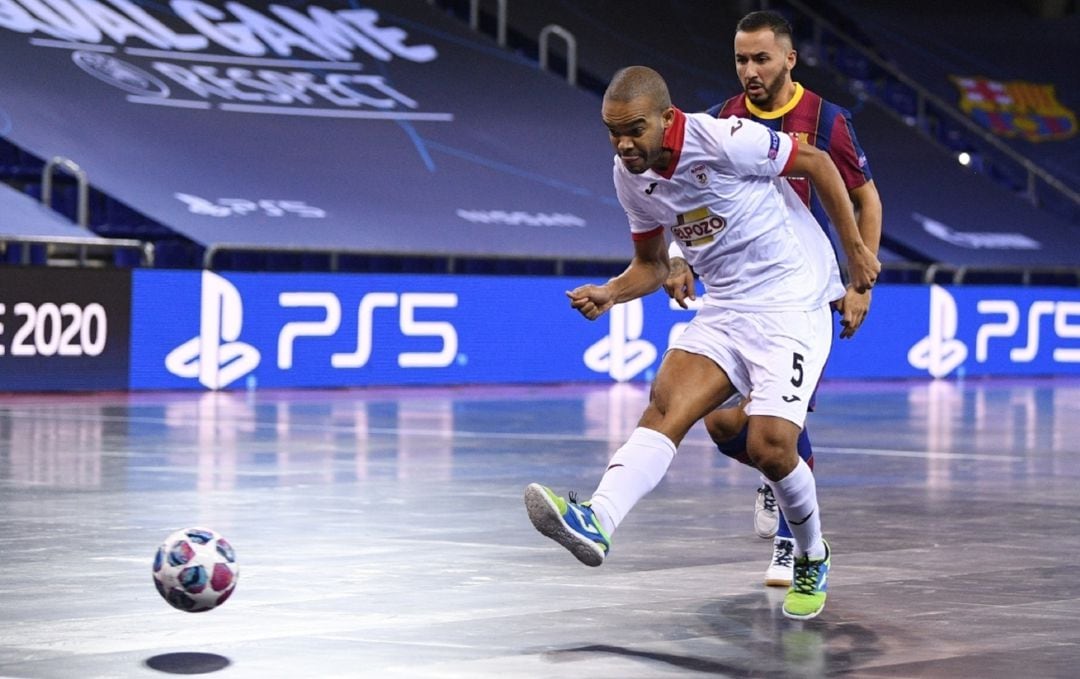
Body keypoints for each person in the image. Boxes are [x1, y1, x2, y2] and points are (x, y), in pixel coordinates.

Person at [523, 64, 880, 621]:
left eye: (635, 129)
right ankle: (599, 518)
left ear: (668, 119)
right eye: (611, 130)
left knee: (770, 446)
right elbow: (649, 264)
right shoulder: (629, 175)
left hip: (791, 301)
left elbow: (814, 161)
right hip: (727, 306)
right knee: (667, 404)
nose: (622, 143)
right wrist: (612, 292)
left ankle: (813, 553)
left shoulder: (724, 140)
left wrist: (855, 249)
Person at [664, 10, 883, 589]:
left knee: (785, 423)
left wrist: (859, 281)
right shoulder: (719, 120)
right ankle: (774, 475)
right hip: (737, 295)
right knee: (722, 425)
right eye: (741, 59)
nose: (750, 70)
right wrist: (680, 258)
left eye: (761, 58)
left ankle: (793, 546)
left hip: (802, 295)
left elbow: (868, 201)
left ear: (790, 58)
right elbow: (685, 195)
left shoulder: (828, 120)